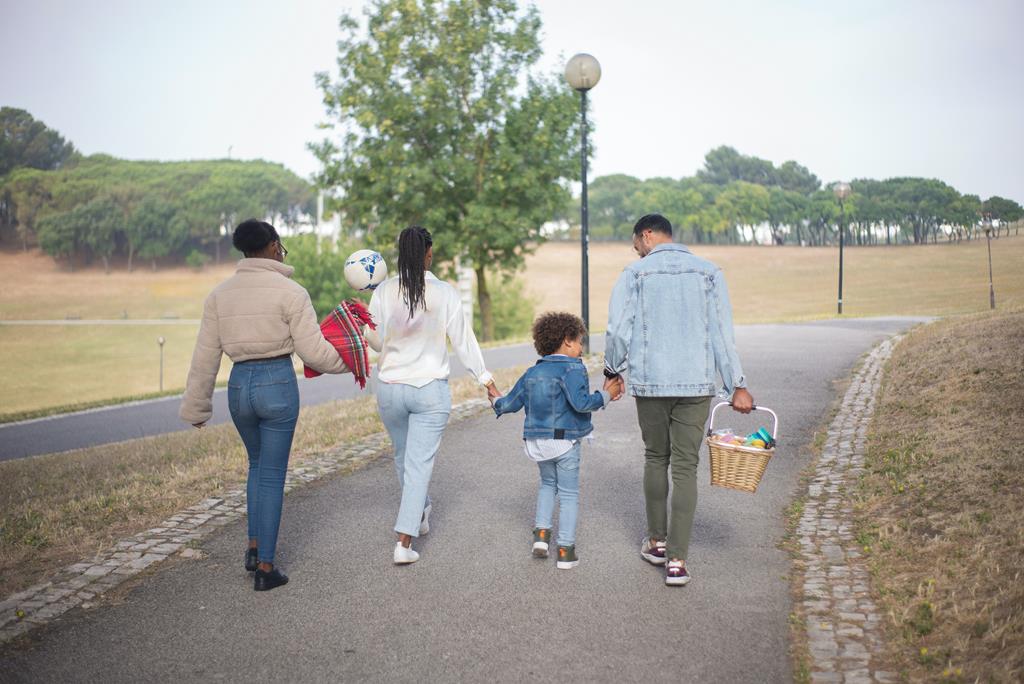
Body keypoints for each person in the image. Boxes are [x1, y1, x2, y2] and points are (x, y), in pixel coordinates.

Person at [179, 219, 350, 592]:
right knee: (272, 474)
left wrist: (196, 408)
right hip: (276, 384)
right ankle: (266, 569)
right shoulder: (291, 292)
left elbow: (205, 356)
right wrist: (350, 362)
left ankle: (254, 548)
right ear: (274, 245)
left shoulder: (219, 295)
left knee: (256, 466)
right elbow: (313, 351)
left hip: (239, 387)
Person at [604, 213, 754, 587]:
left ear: (648, 234)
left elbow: (618, 329)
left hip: (650, 382)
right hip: (696, 385)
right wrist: (737, 383)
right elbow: (723, 333)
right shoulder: (709, 273)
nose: (636, 251)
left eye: (636, 243)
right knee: (686, 467)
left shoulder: (634, 275)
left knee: (656, 457)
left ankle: (656, 542)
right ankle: (677, 562)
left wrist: (612, 370)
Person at [365, 226, 499, 565]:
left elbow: (376, 342)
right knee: (418, 464)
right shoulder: (444, 293)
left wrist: (377, 328)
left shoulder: (383, 291)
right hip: (429, 393)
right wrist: (486, 380)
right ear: (427, 254)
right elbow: (463, 341)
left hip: (391, 390)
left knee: (403, 458)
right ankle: (404, 542)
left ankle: (421, 511)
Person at [492, 312, 623, 569]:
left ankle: (541, 537)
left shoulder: (532, 372)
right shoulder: (573, 368)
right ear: (567, 341)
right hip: (565, 442)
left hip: (537, 443)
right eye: (580, 342)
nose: (582, 348)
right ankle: (565, 550)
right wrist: (606, 395)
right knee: (569, 493)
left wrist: (496, 399)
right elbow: (582, 403)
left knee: (546, 485)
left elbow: (508, 404)